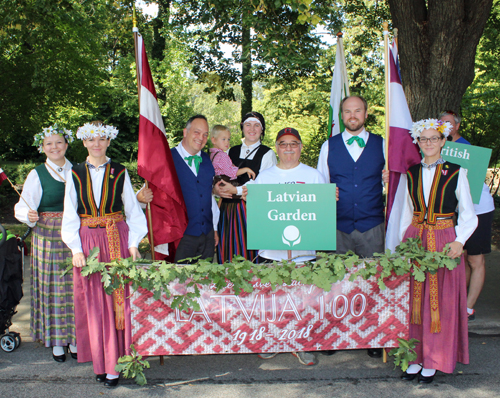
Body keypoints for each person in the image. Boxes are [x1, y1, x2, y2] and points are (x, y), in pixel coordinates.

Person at [61, 122, 147, 388]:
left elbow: (133, 210)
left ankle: (116, 364)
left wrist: (133, 243)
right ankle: (101, 362)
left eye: (101, 139)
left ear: (109, 141)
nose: (96, 144)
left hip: (115, 239)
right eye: (91, 139)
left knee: (117, 302)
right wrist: (75, 248)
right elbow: (69, 213)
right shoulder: (74, 173)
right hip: (88, 242)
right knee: (95, 304)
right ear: (84, 143)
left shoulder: (119, 172)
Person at [399, 119, 477, 384]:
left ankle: (435, 359)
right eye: (424, 139)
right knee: (415, 300)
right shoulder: (410, 173)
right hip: (417, 238)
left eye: (434, 138)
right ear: (417, 143)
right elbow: (406, 213)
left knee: (440, 300)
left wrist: (460, 241)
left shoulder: (457, 172)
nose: (429, 143)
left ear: (443, 141)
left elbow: (469, 214)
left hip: (445, 240)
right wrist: (403, 244)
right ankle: (416, 356)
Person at [316, 95, 388, 358]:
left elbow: (394, 182)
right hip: (338, 226)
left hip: (372, 226)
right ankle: (335, 335)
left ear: (366, 114)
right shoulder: (329, 146)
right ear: (341, 116)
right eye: (348, 111)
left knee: (373, 282)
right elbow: (321, 184)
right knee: (337, 283)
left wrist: (390, 178)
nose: (352, 115)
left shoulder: (382, 144)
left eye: (357, 110)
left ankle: (373, 336)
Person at [250, 127, 326, 366]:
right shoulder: (264, 177)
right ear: (277, 148)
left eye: (294, 143)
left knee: (303, 300)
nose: (289, 148)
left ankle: (302, 343)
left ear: (301, 147)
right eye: (284, 144)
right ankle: (273, 340)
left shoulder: (313, 175)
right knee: (273, 299)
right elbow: (258, 214)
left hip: (303, 253)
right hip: (272, 252)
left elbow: (321, 214)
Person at [14, 125, 77, 362]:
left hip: (74, 236)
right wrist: (27, 215)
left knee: (74, 289)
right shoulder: (36, 174)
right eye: (49, 144)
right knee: (53, 288)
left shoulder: (78, 171)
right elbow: (23, 205)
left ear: (67, 145)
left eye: (59, 142)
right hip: (47, 237)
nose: (54, 147)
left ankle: (75, 338)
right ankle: (56, 341)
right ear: (42, 148)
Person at [138, 115, 221, 263]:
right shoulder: (166, 160)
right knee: (179, 283)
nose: (201, 138)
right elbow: (148, 191)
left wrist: (214, 227)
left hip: (207, 236)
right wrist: (140, 197)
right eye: (197, 132)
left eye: (205, 134)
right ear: (185, 132)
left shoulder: (208, 160)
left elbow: (208, 197)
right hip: (181, 236)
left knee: (205, 282)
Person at [440, 111, 494, 321]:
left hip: (478, 209)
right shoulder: (437, 146)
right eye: (441, 123)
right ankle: (459, 301)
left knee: (475, 259)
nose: (445, 126)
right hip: (456, 212)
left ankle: (468, 307)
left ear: (457, 126)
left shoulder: (466, 150)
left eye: (449, 123)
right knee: (460, 257)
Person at [216, 112, 277, 263]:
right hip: (228, 210)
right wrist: (218, 190)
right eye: (248, 124)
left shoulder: (268, 154)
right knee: (227, 252)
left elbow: (264, 185)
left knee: (250, 253)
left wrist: (235, 190)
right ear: (242, 127)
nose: (252, 128)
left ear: (262, 130)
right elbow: (221, 175)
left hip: (251, 211)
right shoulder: (231, 151)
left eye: (257, 125)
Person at [209, 124, 256, 195]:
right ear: (214, 140)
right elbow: (232, 173)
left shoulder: (212, 154)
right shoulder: (222, 155)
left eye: (228, 139)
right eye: (223, 139)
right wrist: (246, 169)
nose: (227, 142)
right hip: (226, 186)